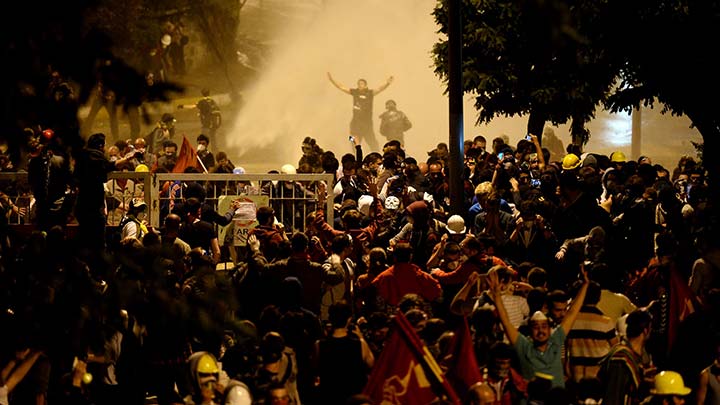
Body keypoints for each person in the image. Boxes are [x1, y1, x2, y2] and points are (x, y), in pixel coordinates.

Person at [488, 264, 589, 388]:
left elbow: (572, 312)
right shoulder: (524, 346)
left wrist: (585, 285)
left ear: (549, 328)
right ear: (530, 330)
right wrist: (497, 296)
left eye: (544, 326)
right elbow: (506, 323)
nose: (541, 331)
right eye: (536, 327)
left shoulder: (555, 341)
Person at [327, 72, 394, 152]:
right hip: (355, 123)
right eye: (358, 84)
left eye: (361, 84)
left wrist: (387, 83)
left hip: (367, 124)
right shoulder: (355, 92)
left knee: (372, 142)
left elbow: (380, 89)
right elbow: (341, 87)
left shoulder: (370, 93)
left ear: (366, 85)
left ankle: (377, 156)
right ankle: (355, 156)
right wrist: (332, 80)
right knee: (352, 140)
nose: (359, 85)